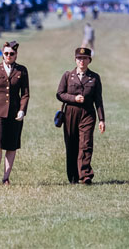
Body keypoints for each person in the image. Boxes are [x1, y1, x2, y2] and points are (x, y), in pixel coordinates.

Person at [0, 41, 29, 185]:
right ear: (2, 54)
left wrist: (22, 110)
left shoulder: (22, 70)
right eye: (6, 53)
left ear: (16, 55)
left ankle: (6, 177)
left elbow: (25, 94)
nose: (9, 56)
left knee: (11, 145)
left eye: (12, 54)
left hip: (14, 112)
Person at [56, 48, 105, 184]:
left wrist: (102, 119)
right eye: (79, 58)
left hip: (88, 113)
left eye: (84, 58)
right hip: (71, 113)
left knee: (86, 144)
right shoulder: (68, 75)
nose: (81, 61)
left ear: (89, 60)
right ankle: (73, 176)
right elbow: (60, 94)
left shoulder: (94, 77)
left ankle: (85, 175)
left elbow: (98, 100)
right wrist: (73, 98)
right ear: (75, 60)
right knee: (71, 143)